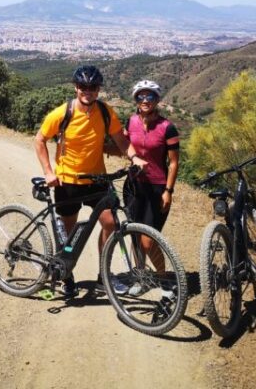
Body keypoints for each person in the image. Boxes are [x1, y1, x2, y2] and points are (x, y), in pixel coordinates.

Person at [34, 65, 146, 298]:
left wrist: (134, 157)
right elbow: (40, 139)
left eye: (93, 87)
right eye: (83, 87)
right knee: (69, 231)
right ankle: (66, 275)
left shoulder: (105, 112)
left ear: (98, 89)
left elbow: (121, 141)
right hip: (68, 181)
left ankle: (103, 275)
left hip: (97, 180)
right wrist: (48, 172)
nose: (88, 91)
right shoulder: (62, 113)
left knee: (110, 224)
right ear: (76, 88)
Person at [123, 79, 180, 295]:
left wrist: (169, 190)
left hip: (157, 188)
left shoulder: (167, 128)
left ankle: (163, 278)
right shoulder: (131, 122)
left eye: (150, 96)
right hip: (134, 186)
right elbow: (124, 146)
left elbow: (174, 162)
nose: (145, 100)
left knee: (149, 239)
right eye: (141, 96)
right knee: (135, 236)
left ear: (157, 99)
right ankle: (141, 277)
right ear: (136, 99)